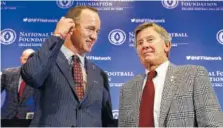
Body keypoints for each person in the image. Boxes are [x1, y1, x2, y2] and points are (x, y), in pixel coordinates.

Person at [20, 6, 114, 127]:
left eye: (97, 31)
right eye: (90, 29)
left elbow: (107, 122)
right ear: (71, 27)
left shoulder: (100, 74)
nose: (94, 37)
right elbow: (32, 75)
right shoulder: (45, 61)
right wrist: (58, 35)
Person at [118, 22, 223, 127]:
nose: (144, 45)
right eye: (140, 43)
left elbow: (213, 124)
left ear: (167, 45)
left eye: (150, 40)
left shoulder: (193, 75)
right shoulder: (127, 89)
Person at [1, 49, 35, 119]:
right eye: (25, 59)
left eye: (31, 60)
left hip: (29, 119)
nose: (27, 63)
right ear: (21, 59)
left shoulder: (40, 78)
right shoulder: (8, 73)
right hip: (6, 117)